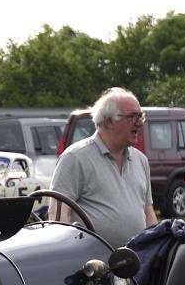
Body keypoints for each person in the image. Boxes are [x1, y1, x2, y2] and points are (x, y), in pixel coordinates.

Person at [50, 86, 155, 250]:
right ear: (109, 121)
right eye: (132, 117)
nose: (139, 123)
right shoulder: (75, 158)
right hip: (91, 268)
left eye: (140, 116)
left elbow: (148, 214)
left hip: (135, 265)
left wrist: (154, 249)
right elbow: (58, 217)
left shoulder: (140, 160)